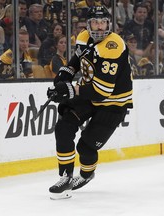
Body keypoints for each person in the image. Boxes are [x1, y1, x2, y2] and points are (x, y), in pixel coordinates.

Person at [46, 6, 133, 200]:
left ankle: (86, 175)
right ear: (88, 24)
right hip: (88, 93)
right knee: (64, 127)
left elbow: (102, 91)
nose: (99, 27)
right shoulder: (84, 37)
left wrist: (69, 90)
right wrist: (65, 73)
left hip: (113, 102)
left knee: (85, 148)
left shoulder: (113, 47)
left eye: (103, 22)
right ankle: (66, 176)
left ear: (109, 24)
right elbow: (78, 58)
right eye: (95, 22)